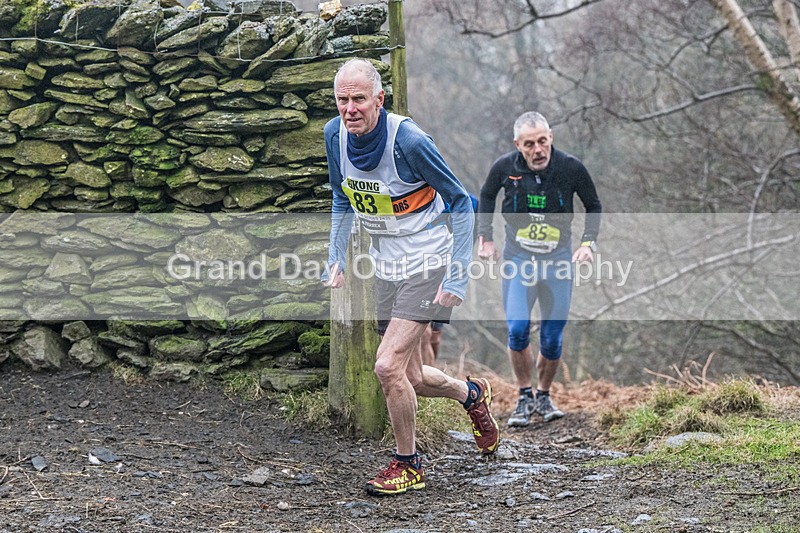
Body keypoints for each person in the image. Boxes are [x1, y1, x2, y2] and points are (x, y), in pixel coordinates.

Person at [323, 59, 500, 496]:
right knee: (415, 376)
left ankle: (408, 464)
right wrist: (336, 257)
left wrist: (457, 276)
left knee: (386, 366)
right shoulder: (334, 137)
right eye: (342, 100)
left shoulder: (411, 141)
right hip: (387, 267)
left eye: (359, 99)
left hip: (429, 261)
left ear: (379, 100)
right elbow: (341, 199)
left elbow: (462, 203)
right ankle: (472, 396)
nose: (350, 109)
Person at [477, 111, 601, 427]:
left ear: (551, 139)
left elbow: (593, 205)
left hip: (557, 261)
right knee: (517, 329)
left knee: (552, 339)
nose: (537, 150)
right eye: (530, 144)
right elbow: (487, 195)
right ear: (518, 144)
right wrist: (486, 238)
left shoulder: (571, 167)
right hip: (519, 261)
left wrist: (588, 244)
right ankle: (523, 396)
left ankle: (544, 396)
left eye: (543, 141)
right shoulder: (505, 168)